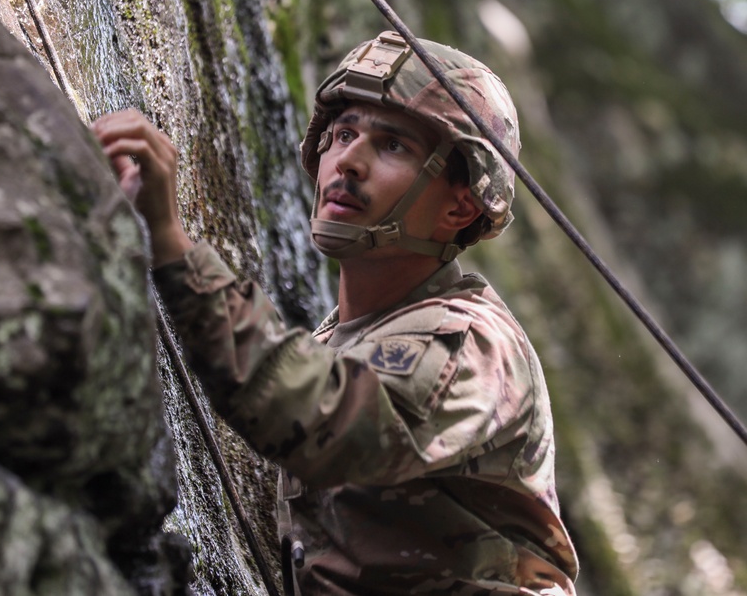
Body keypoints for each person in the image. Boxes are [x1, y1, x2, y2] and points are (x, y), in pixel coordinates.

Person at [93, 31, 580, 596]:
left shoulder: (469, 342)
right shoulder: (343, 337)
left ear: (460, 205)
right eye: (343, 133)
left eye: (392, 145)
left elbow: (324, 420)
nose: (348, 160)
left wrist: (171, 243)